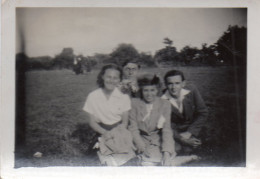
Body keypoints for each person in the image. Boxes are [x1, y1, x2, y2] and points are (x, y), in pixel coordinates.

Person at [82, 64, 136, 166]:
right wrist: (105, 133)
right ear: (102, 77)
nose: (111, 80)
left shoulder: (123, 97)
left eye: (115, 78)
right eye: (108, 77)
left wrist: (116, 134)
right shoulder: (93, 96)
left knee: (125, 157)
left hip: (120, 131)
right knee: (101, 159)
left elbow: (125, 122)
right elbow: (92, 122)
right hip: (101, 131)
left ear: (119, 80)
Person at [128, 73, 176, 166]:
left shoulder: (165, 104)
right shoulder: (134, 103)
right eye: (146, 90)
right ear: (141, 90)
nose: (149, 94)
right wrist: (141, 146)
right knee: (142, 163)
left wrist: (166, 152)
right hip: (139, 139)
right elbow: (133, 128)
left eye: (152, 90)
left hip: (156, 139)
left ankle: (185, 158)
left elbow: (167, 130)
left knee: (166, 161)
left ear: (157, 90)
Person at [161, 70, 208, 155]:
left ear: (183, 83)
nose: (173, 87)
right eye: (170, 83)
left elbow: (203, 113)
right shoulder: (161, 99)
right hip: (175, 132)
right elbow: (165, 125)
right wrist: (181, 139)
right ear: (165, 85)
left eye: (177, 83)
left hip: (192, 127)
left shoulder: (192, 91)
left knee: (197, 146)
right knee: (176, 150)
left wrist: (190, 132)